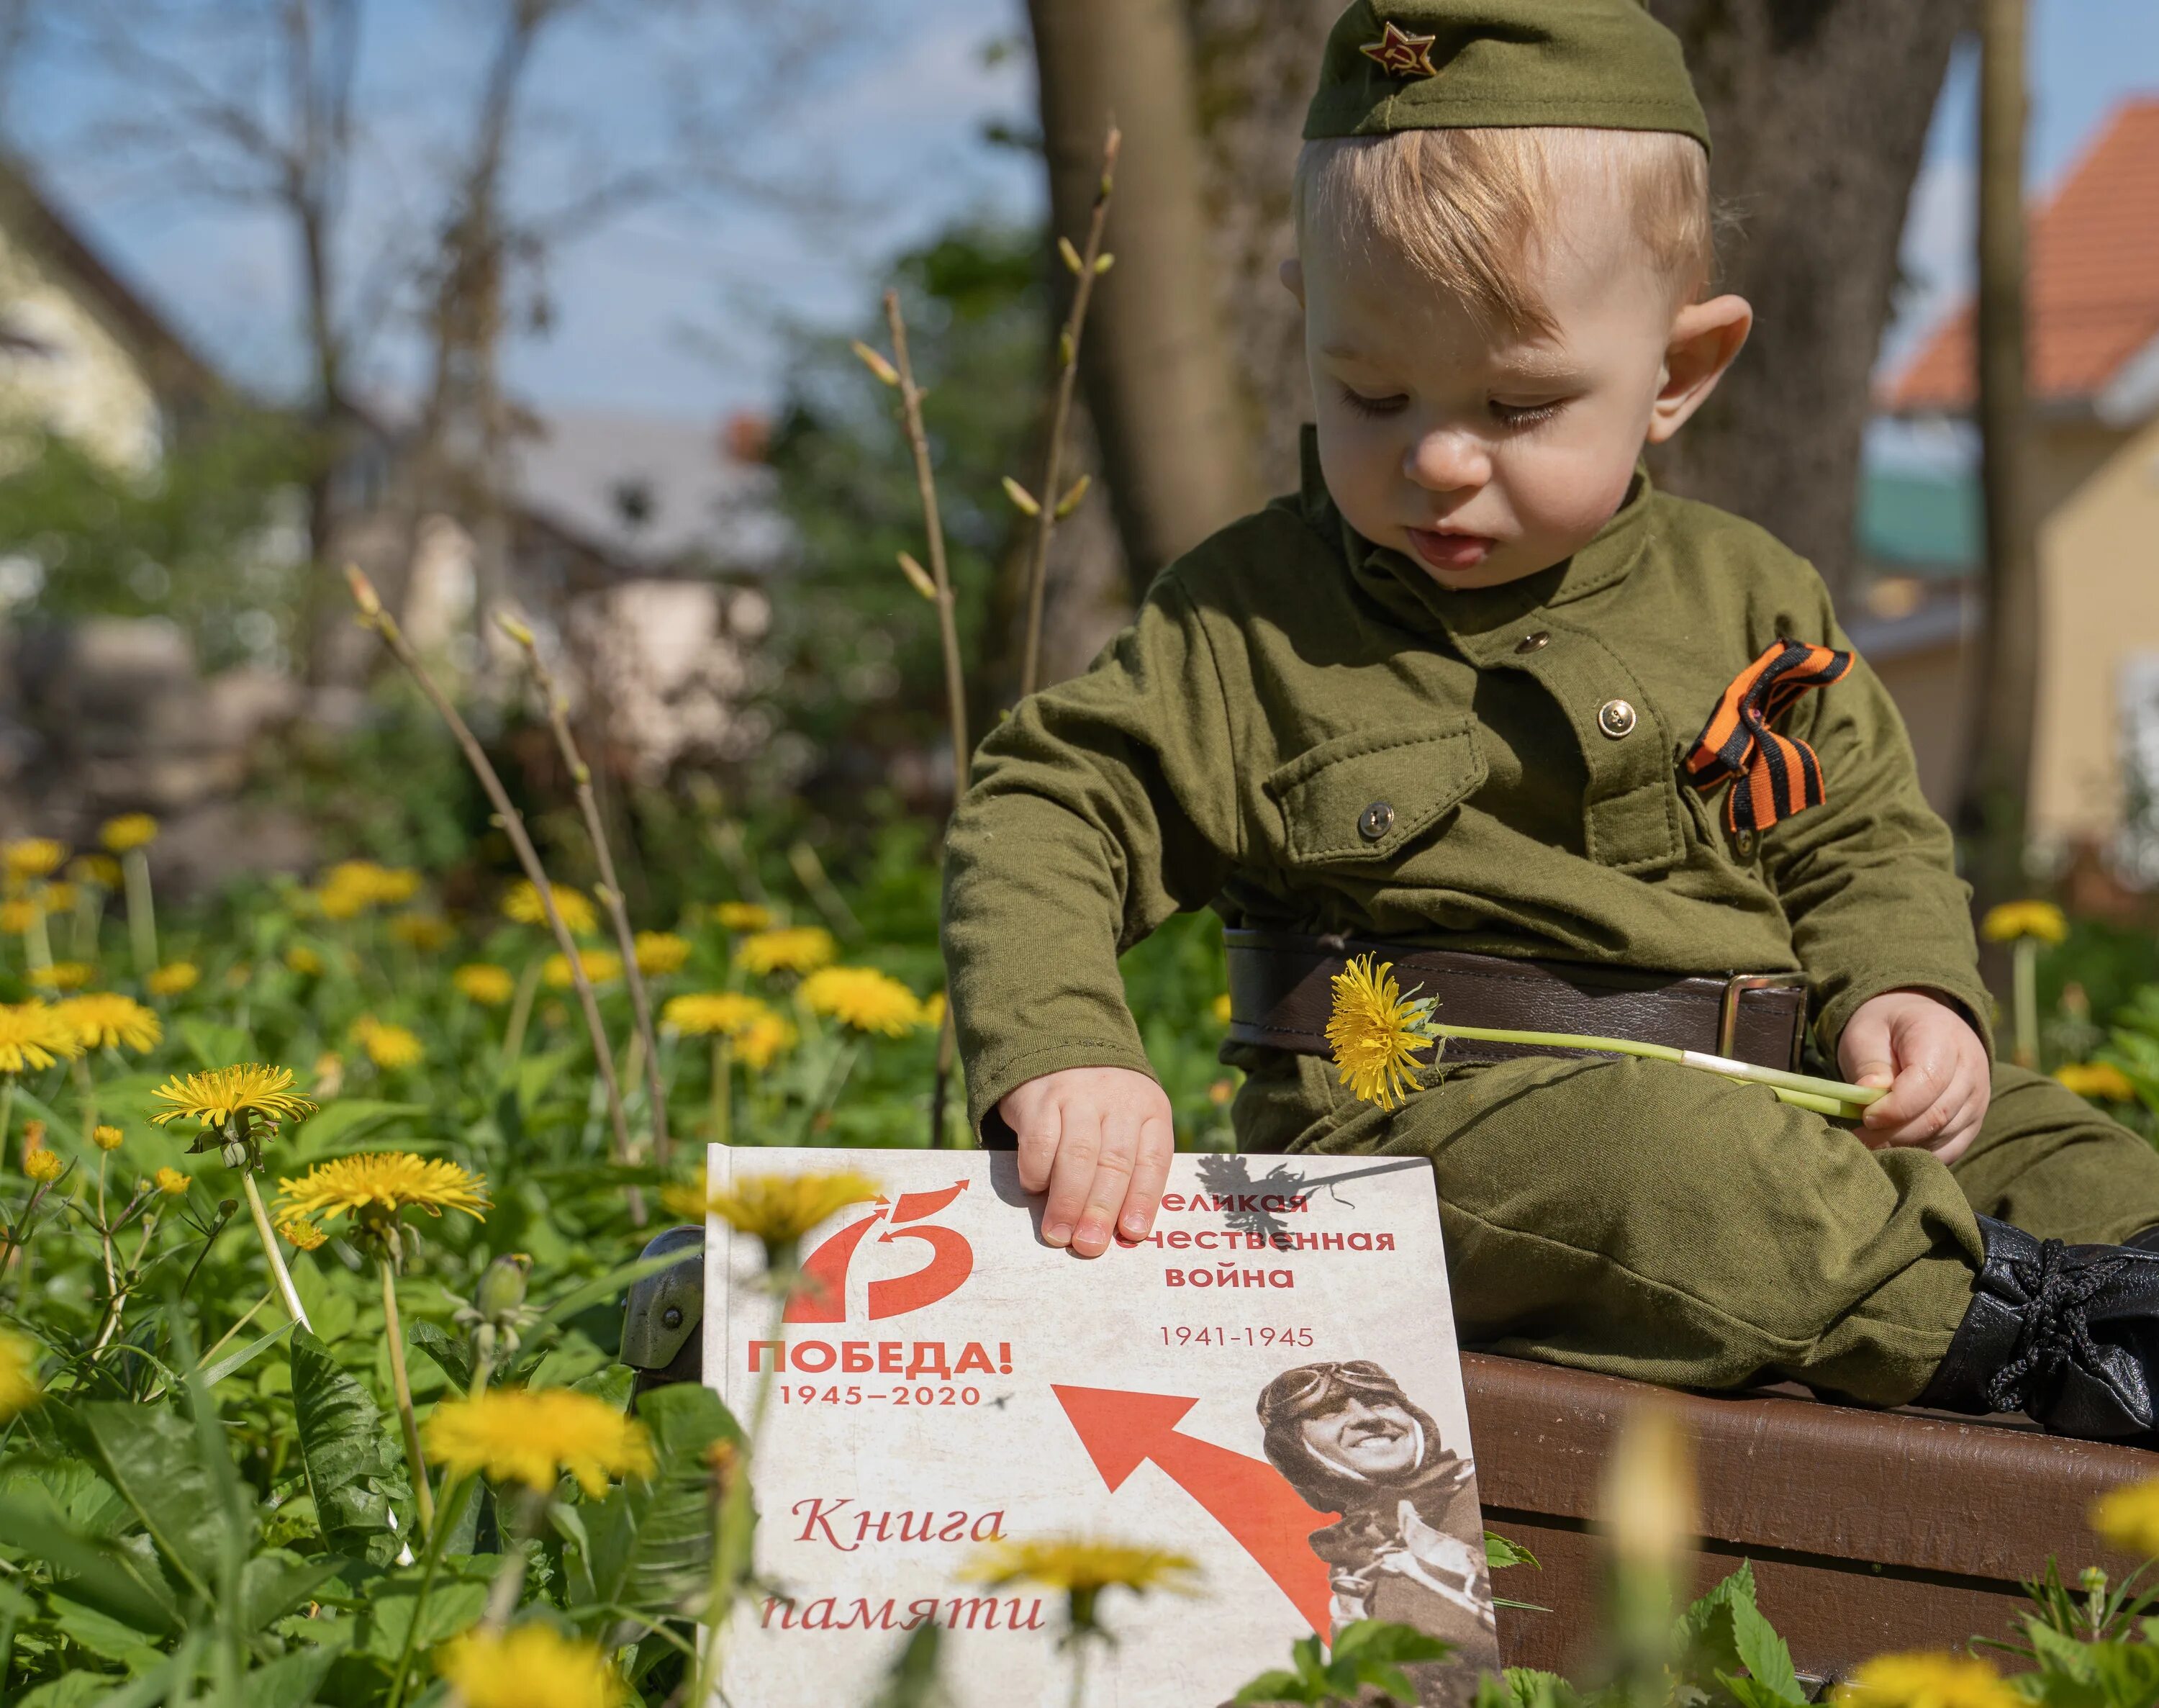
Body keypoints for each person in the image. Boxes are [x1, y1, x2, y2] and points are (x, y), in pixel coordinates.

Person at [941, 0, 2159, 1442]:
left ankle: (2099, 1275)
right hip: (1431, 1138)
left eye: (1518, 405)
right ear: (1311, 326)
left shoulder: (1750, 592)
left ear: (1679, 374)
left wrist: (1910, 993)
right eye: (1370, 391)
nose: (1440, 457)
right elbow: (1054, 801)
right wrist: (1066, 1046)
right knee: (1662, 1172)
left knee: (2067, 1147)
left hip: (1798, 1084)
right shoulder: (1251, 616)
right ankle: (2040, 1334)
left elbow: (1856, 835)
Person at [1258, 1360, 1500, 1695]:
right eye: (1329, 1411)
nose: (1367, 1418)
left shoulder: (1488, 1495)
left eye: (1380, 1401)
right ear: (1294, 1454)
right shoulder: (1356, 1566)